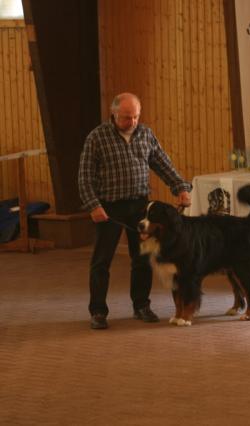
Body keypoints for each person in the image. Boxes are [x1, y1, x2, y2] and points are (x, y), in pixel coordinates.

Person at [78, 92, 192, 330]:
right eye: (127, 118)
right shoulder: (97, 137)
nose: (132, 122)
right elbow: (84, 177)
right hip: (108, 207)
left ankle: (141, 306)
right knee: (101, 261)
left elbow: (162, 163)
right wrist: (93, 205)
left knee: (141, 259)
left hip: (140, 206)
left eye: (136, 117)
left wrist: (180, 187)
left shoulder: (145, 134)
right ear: (114, 114)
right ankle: (98, 311)